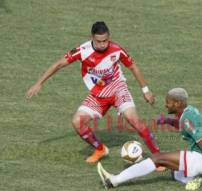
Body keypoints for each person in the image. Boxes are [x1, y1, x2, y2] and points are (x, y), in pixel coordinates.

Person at [26, 21, 160, 164]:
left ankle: (159, 157)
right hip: (98, 96)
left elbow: (133, 67)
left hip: (118, 89)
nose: (103, 44)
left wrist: (146, 91)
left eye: (105, 41)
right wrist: (39, 83)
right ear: (92, 38)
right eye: (99, 41)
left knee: (133, 120)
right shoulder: (82, 51)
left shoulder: (116, 49)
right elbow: (59, 64)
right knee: (77, 121)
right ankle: (100, 149)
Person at [98, 88, 202, 191]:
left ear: (177, 103)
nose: (166, 104)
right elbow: (185, 126)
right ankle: (199, 177)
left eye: (168, 102)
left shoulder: (188, 119)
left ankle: (114, 180)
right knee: (175, 173)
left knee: (158, 158)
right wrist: (168, 121)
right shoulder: (189, 111)